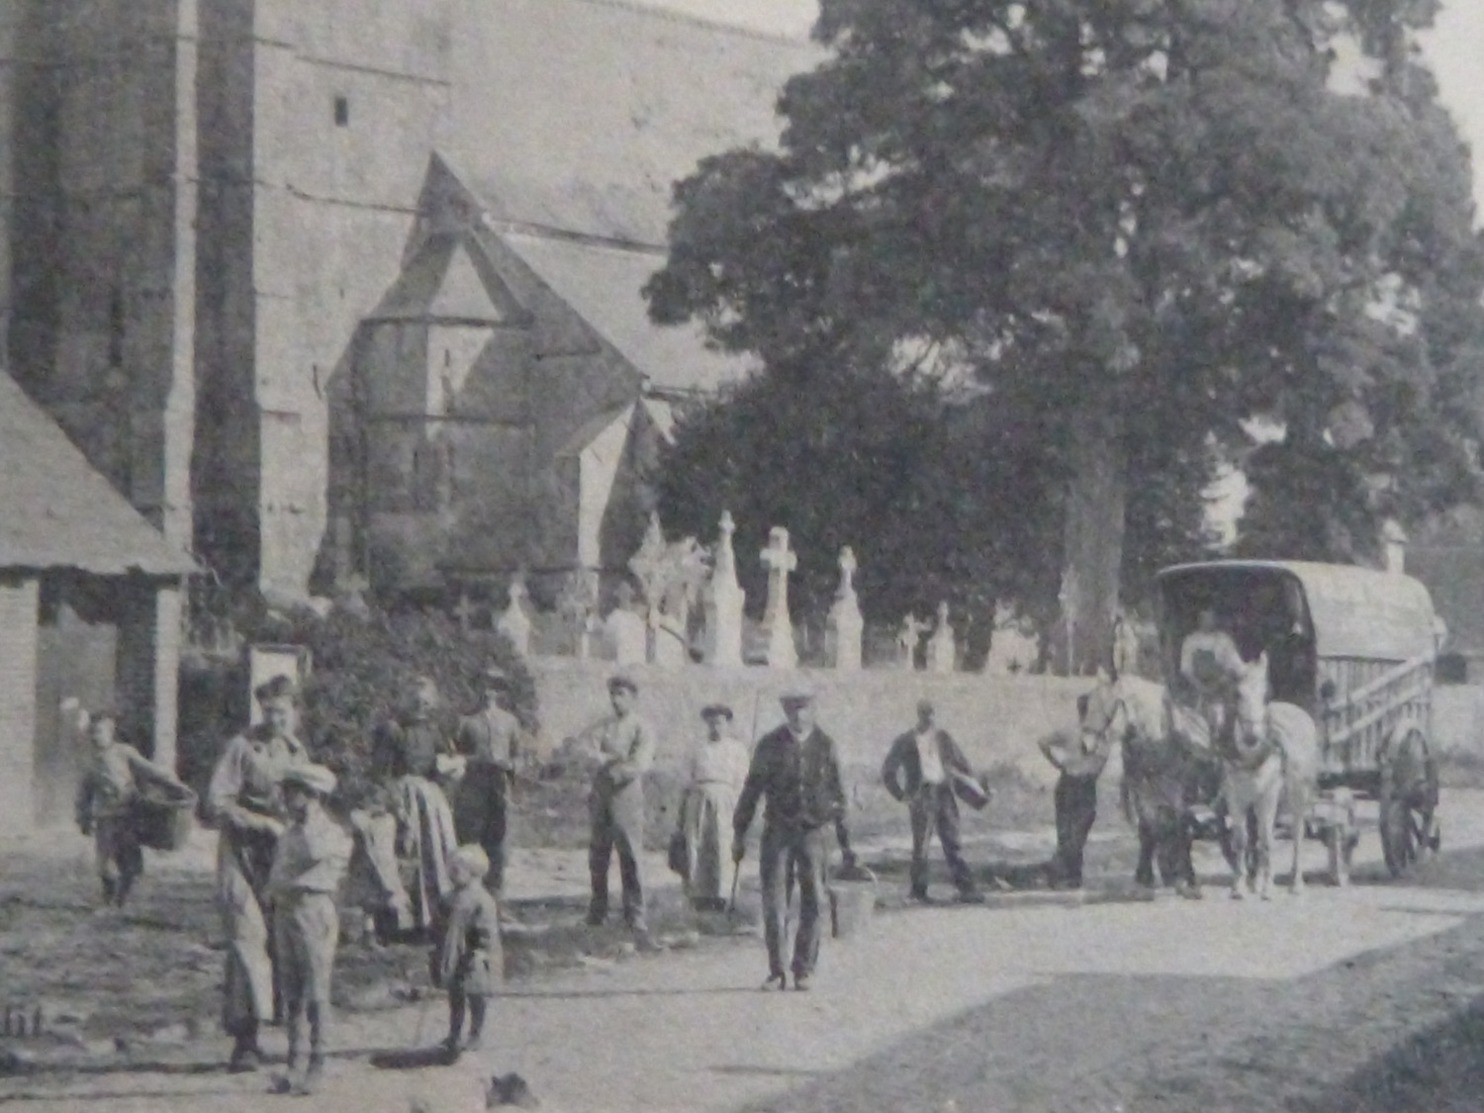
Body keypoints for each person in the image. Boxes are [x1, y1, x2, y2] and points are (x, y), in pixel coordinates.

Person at [206, 674, 309, 1073]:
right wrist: (258, 822)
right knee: (246, 940)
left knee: (284, 941)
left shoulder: (298, 754)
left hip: (281, 859)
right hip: (241, 854)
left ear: (295, 712)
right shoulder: (242, 747)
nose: (276, 719)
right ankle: (244, 1041)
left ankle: (287, 1033)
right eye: (269, 711)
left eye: (283, 712)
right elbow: (216, 802)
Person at [732, 683, 853, 992]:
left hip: (814, 832)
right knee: (774, 901)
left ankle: (804, 968)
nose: (798, 715)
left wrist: (845, 839)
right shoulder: (769, 745)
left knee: (814, 899)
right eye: (792, 709)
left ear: (812, 710)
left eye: (804, 709)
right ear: (785, 712)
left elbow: (839, 793)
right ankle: (777, 970)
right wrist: (739, 831)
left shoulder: (826, 745)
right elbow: (751, 790)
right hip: (778, 832)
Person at [266, 763, 353, 1096]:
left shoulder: (327, 832)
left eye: (293, 791)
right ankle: (294, 1063)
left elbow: (313, 854)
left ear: (313, 796)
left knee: (316, 990)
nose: (286, 797)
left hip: (313, 909)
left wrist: (306, 823)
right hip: (286, 910)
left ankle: (318, 1063)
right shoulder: (290, 830)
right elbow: (278, 870)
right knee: (291, 991)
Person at [570, 672, 657, 934]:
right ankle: (597, 911)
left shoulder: (642, 727)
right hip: (601, 794)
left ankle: (636, 914)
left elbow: (640, 762)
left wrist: (612, 765)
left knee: (630, 854)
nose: (616, 700)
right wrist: (604, 758)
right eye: (613, 695)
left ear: (633, 698)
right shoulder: (603, 725)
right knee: (598, 854)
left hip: (626, 794)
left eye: (621, 695)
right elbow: (584, 749)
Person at [73, 703, 181, 908]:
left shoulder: (123, 752)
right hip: (105, 818)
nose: (96, 737)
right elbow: (84, 793)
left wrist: (172, 783)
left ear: (111, 732)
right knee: (104, 864)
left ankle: (121, 899)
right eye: (93, 733)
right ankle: (108, 897)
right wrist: (83, 817)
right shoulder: (91, 762)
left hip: (128, 815)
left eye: (100, 732)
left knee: (129, 863)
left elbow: (149, 771)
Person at [880, 699, 984, 904]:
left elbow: (962, 764)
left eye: (933, 713)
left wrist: (976, 787)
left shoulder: (944, 738)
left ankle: (967, 889)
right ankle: (919, 892)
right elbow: (888, 771)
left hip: (944, 793)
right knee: (921, 847)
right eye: (926, 713)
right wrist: (901, 795)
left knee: (953, 841)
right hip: (921, 795)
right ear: (919, 714)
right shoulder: (906, 740)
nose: (930, 718)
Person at [452, 666, 522, 897]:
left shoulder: (510, 721)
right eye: (484, 685)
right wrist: (475, 760)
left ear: (500, 691)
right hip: (474, 788)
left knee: (498, 844)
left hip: (499, 788)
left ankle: (495, 898)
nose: (489, 691)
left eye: (494, 686)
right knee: (471, 840)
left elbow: (519, 756)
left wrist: (511, 765)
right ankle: (468, 894)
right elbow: (455, 756)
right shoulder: (466, 721)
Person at [432, 844, 504, 1061]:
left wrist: (479, 950)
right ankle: (454, 1034)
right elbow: (441, 923)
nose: (452, 874)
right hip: (454, 951)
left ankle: (475, 1033)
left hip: (475, 956)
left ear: (474, 872)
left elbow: (486, 931)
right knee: (455, 996)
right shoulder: (450, 897)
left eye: (458, 870)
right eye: (451, 869)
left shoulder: (480, 899)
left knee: (476, 996)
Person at [1037, 695, 1116, 891]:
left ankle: (1069, 874)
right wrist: (1058, 763)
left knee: (1076, 833)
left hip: (1080, 784)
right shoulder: (1075, 732)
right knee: (1069, 833)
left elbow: (1102, 759)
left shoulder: (1098, 737)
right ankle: (1063, 874)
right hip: (1072, 783)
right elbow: (1043, 742)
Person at [678, 704, 750, 911]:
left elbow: (742, 781)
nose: (715, 727)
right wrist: (683, 810)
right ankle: (698, 895)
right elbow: (686, 780)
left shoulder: (736, 749)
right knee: (696, 844)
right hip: (698, 798)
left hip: (726, 800)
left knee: (722, 845)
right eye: (711, 723)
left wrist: (737, 807)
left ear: (727, 724)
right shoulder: (698, 748)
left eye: (719, 723)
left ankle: (723, 896)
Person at [1178, 608, 1245, 742]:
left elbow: (1237, 666)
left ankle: (1229, 741)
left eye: (1211, 618)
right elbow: (1185, 669)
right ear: (1199, 620)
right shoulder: (1190, 641)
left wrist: (1226, 678)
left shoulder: (1224, 640)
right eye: (1204, 618)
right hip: (1197, 685)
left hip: (1222, 686)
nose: (1208, 622)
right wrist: (1200, 687)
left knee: (1234, 707)